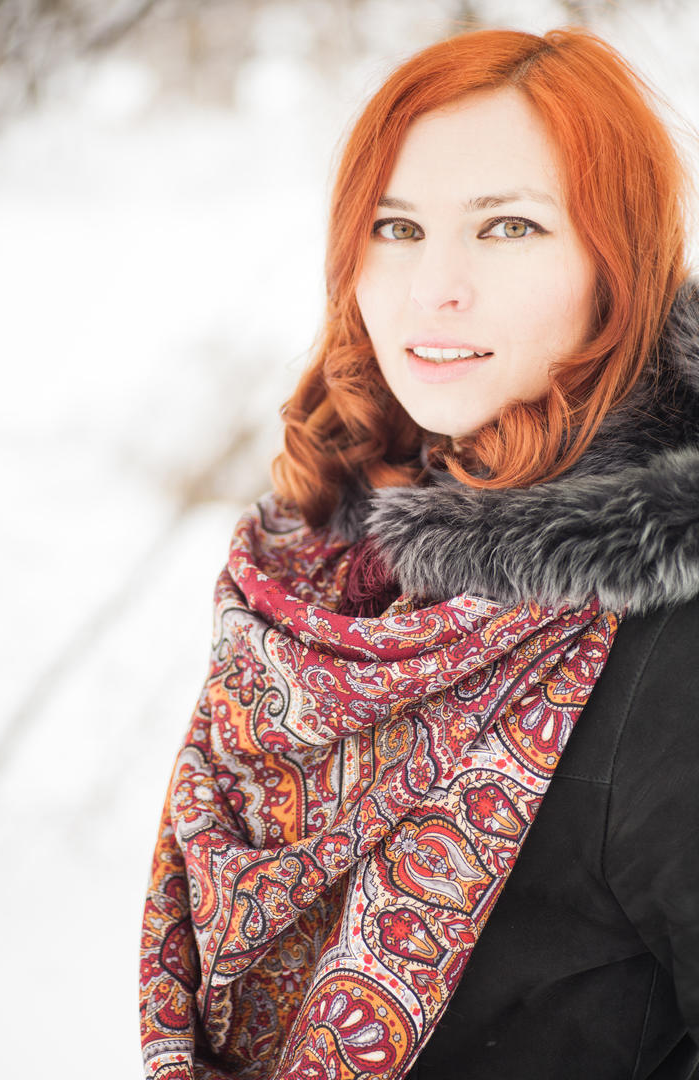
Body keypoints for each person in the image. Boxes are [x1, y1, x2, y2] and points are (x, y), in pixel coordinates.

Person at [139, 26, 699, 1080]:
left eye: (509, 227)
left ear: (614, 268)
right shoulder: (310, 565)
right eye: (397, 227)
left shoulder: (670, 644)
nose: (433, 286)